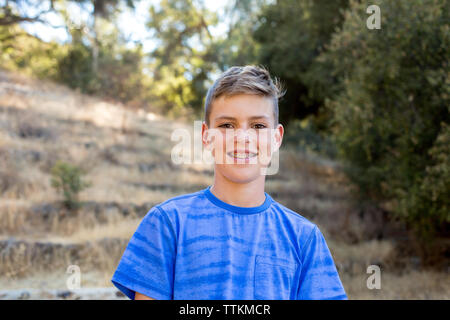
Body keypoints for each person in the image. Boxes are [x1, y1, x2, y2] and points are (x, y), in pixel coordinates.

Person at [111, 65, 348, 300]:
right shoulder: (168, 224)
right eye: (227, 125)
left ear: (276, 138)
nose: (242, 138)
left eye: (258, 126)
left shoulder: (303, 238)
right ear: (206, 136)